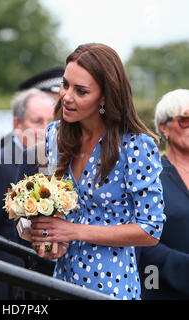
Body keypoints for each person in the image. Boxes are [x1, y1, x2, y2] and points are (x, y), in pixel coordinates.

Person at [27, 43, 166, 300]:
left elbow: (150, 230)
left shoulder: (135, 145)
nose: (67, 96)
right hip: (62, 281)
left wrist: (73, 230)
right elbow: (57, 209)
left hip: (111, 286)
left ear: (104, 97)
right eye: (65, 84)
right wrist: (49, 241)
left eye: (81, 91)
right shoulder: (54, 135)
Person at [0, 88, 55, 299]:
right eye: (37, 121)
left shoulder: (51, 159)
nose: (45, 130)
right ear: (18, 125)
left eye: (50, 122)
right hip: (10, 284)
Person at [137, 89, 189, 299]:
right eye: (185, 119)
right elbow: (142, 239)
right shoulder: (149, 175)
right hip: (163, 290)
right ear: (163, 127)